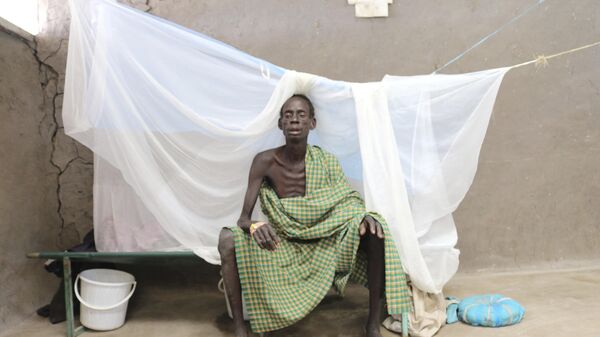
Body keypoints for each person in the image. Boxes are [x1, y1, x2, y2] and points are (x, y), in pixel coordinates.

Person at [218, 94, 412, 337]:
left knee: (375, 230)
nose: (295, 120)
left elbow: (347, 202)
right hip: (284, 241)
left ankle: (372, 323)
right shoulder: (264, 161)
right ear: (280, 124)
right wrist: (255, 226)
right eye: (288, 116)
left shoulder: (326, 162)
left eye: (301, 115)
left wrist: (362, 217)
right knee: (227, 239)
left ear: (312, 123)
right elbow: (243, 219)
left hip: (325, 241)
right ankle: (239, 328)